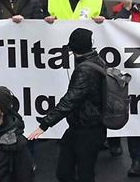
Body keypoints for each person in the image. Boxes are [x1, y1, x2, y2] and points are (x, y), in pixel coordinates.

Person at [30, 28, 108, 182]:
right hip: (81, 127)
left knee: (83, 174)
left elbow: (70, 100)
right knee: (66, 172)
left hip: (88, 130)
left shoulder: (85, 70)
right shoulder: (95, 60)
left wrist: (45, 124)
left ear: (74, 48)